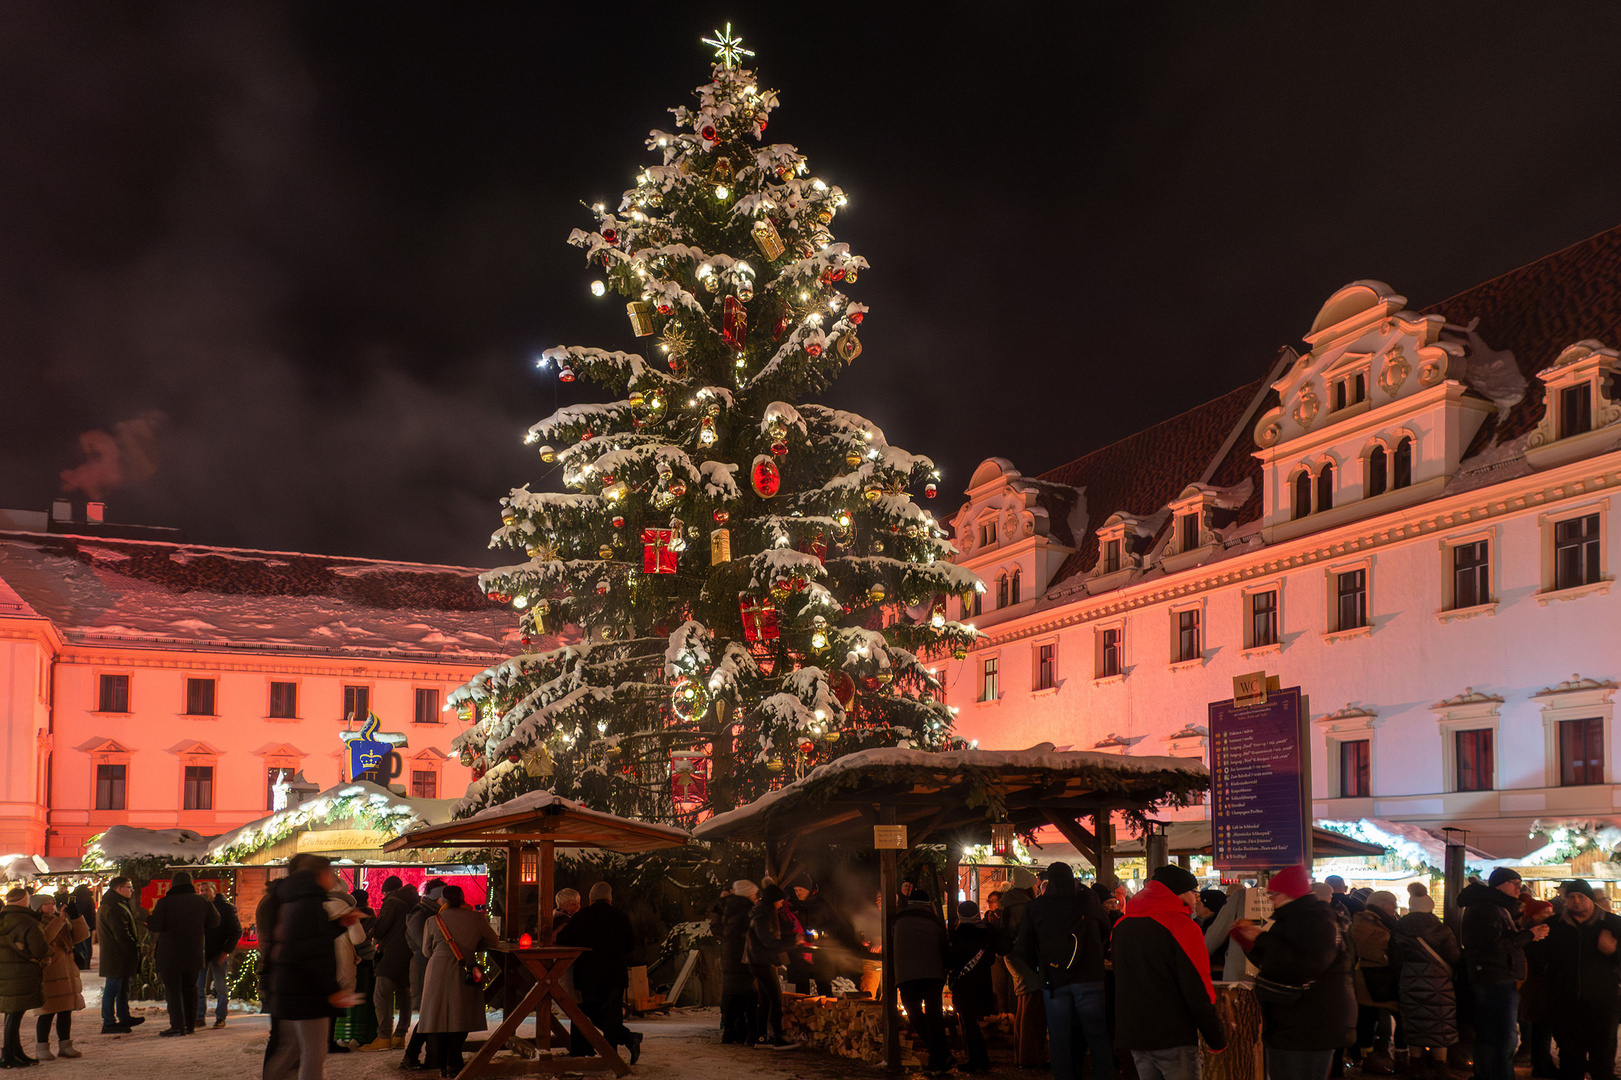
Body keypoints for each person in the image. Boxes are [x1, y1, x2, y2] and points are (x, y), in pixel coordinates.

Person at [1231, 866, 1354, 1080]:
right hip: (1292, 1021)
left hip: (1310, 1024)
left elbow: (1304, 965)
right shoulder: (1294, 919)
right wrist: (1248, 942)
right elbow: (1274, 963)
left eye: (1274, 894)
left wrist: (1260, 938)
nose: (1271, 900)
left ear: (1291, 894)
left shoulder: (1315, 920)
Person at [1113, 865, 1226, 1080]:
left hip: (1135, 1034)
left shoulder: (1121, 925)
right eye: (1194, 893)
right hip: (1173, 1035)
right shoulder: (1182, 927)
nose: (1196, 899)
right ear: (1181, 893)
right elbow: (1197, 985)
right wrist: (1215, 1037)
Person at [265, 854, 358, 1080]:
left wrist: (338, 925)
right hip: (307, 991)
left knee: (293, 1050)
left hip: (292, 986)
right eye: (330, 872)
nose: (334, 877)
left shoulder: (295, 898)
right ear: (320, 874)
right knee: (313, 1054)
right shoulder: (309, 903)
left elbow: (307, 939)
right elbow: (312, 952)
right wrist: (331, 990)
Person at [1018, 862, 1111, 1080]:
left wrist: (1042, 969)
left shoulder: (1036, 907)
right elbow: (1106, 928)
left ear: (1048, 880)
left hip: (1055, 980)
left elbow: (1023, 947)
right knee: (1097, 1036)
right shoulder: (1086, 902)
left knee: (1059, 1037)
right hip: (1090, 977)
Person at [1459, 867, 1547, 1080]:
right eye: (1515, 883)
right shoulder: (1487, 908)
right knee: (1503, 1036)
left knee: (1493, 1034)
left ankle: (1487, 1074)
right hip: (1494, 978)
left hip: (1494, 976)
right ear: (1501, 884)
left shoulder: (1493, 906)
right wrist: (1529, 935)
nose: (1519, 888)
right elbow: (1494, 945)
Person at [1534, 879, 1621, 1080]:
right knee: (1570, 1056)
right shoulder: (1554, 925)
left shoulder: (1612, 923)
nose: (1576, 901)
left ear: (1590, 899)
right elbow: (1537, 953)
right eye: (1571, 897)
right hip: (1565, 1001)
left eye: (1581, 896)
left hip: (1603, 1001)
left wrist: (1614, 949)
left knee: (1603, 1056)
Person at [556, 882, 644, 1064]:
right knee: (613, 1015)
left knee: (585, 1010)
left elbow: (564, 939)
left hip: (588, 975)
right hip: (615, 975)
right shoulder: (621, 917)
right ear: (610, 899)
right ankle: (612, 1056)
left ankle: (589, 1049)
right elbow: (630, 945)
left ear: (590, 899)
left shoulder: (582, 917)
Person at [418, 885, 498, 1079]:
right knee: (461, 1015)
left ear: (443, 901)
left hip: (436, 970)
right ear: (463, 898)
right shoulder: (477, 918)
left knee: (437, 1017)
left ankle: (442, 1064)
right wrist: (471, 947)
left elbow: (426, 952)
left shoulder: (433, 920)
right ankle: (455, 1060)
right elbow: (493, 942)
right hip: (465, 969)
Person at [1393, 894, 1460, 1080]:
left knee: (1414, 1021)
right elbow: (1454, 957)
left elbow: (1394, 958)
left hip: (1408, 980)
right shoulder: (1440, 928)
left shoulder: (1399, 928)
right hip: (1438, 981)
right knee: (1440, 1021)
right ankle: (1441, 1068)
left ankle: (1416, 1066)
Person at [146, 870, 220, 1037]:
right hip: (194, 952)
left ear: (173, 884)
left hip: (170, 953)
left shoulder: (165, 902)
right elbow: (215, 921)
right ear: (190, 883)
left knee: (173, 990)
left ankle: (177, 1026)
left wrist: (148, 918)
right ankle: (190, 1025)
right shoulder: (202, 901)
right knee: (190, 989)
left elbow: (155, 925)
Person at [893, 888, 952, 1075]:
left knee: (914, 1014)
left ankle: (940, 1055)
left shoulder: (898, 920)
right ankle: (940, 1056)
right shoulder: (935, 922)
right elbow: (944, 946)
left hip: (906, 975)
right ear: (928, 905)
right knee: (935, 1016)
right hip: (933, 975)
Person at [1349, 890, 1403, 1074]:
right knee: (1374, 1017)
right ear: (1381, 904)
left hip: (1377, 977)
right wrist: (1389, 954)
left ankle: (1372, 1056)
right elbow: (1368, 947)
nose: (1394, 907)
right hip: (1375, 977)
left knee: (1368, 1017)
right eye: (1391, 903)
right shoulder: (1368, 922)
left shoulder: (1375, 920)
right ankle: (1373, 1058)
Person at [31, 893, 89, 1061]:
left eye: (52, 903)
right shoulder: (36, 923)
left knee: (65, 1010)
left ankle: (65, 1044)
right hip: (49, 974)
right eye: (47, 904)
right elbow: (45, 938)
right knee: (47, 1012)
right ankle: (42, 1046)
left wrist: (76, 917)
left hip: (66, 972)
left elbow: (80, 936)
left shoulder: (60, 920)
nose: (51, 907)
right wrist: (60, 920)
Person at [741, 882, 798, 1050]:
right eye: (780, 901)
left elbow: (772, 935)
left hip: (760, 960)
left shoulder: (766, 913)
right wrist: (794, 941)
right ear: (773, 900)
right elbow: (769, 941)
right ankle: (778, 1038)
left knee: (765, 999)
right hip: (762, 961)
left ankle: (761, 1037)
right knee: (775, 998)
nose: (781, 904)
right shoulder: (763, 916)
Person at [362, 879, 416, 1052]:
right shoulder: (414, 900)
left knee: (381, 995)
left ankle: (384, 1037)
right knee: (403, 994)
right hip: (408, 953)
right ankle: (400, 1035)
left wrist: (369, 923)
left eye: (384, 893)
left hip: (392, 953)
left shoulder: (393, 903)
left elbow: (379, 929)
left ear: (388, 891)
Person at [999, 884, 1048, 1068]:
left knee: (1024, 1007)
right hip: (1023, 958)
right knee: (1031, 1009)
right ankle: (1029, 1058)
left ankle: (1022, 1056)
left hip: (1013, 956)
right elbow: (1026, 935)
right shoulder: (1022, 905)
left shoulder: (1009, 903)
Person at [399, 880, 445, 1071]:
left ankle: (430, 1057)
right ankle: (411, 1056)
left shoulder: (430, 913)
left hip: (430, 966)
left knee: (433, 1013)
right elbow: (423, 944)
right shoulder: (420, 915)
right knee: (429, 1014)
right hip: (424, 968)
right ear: (436, 897)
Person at [948, 900, 999, 1075]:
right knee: (973, 1023)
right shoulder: (987, 933)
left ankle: (975, 1060)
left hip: (963, 985)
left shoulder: (957, 935)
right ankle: (981, 1060)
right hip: (983, 982)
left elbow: (951, 960)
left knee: (968, 1023)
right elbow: (992, 957)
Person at [0, 886, 48, 1067]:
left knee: (12, 1014)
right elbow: (40, 949)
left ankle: (16, 1052)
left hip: (4, 974)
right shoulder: (27, 921)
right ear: (24, 900)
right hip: (21, 974)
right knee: (15, 1015)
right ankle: (9, 1056)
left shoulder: (2, 919)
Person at [97, 877, 144, 1034]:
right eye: (128, 887)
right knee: (113, 987)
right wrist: (134, 946)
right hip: (117, 955)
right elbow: (121, 933)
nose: (131, 890)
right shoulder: (114, 906)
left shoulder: (115, 903)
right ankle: (109, 1021)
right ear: (118, 888)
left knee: (122, 987)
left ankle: (124, 1016)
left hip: (118, 954)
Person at [712, 880, 757, 1045]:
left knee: (732, 994)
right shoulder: (747, 909)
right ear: (747, 894)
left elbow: (715, 927)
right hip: (743, 956)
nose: (755, 896)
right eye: (753, 894)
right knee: (748, 994)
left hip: (729, 956)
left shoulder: (724, 906)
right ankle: (746, 1032)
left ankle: (729, 1030)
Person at [196, 882, 242, 1030]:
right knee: (199, 987)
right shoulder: (198, 908)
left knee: (220, 986)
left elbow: (236, 931)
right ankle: (199, 1016)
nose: (203, 893)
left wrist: (226, 950)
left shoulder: (225, 908)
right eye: (201, 890)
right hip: (202, 952)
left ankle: (220, 1016)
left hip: (218, 952)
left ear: (214, 892)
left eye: (206, 890)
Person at [69, 887, 95, 972]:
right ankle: (87, 963)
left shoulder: (75, 899)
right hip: (89, 924)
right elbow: (92, 913)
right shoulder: (89, 898)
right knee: (88, 945)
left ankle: (79, 963)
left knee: (78, 944)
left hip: (78, 924)